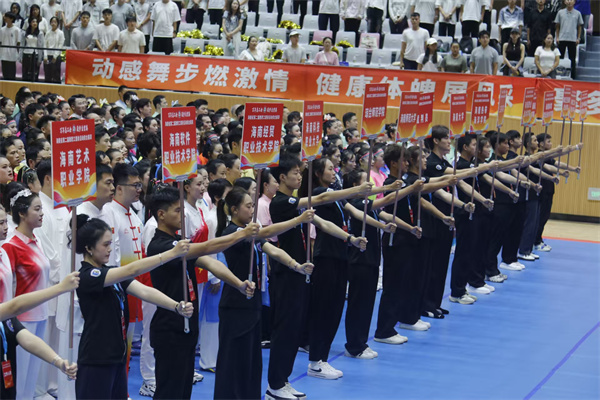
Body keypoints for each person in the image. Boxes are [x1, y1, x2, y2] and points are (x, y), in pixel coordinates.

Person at [146, 186, 257, 399]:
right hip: (170, 328)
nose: (183, 215)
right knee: (169, 392)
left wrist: (238, 284)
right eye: (177, 211)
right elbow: (207, 247)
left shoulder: (179, 242)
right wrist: (241, 234)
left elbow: (209, 262)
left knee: (183, 390)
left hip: (188, 326)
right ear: (161, 214)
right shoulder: (161, 246)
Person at [73, 215, 193, 399]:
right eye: (105, 244)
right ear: (88, 248)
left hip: (118, 356)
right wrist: (170, 254)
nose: (110, 249)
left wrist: (176, 306)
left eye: (110, 243)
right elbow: (132, 270)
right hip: (96, 359)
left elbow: (144, 291)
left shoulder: (110, 272)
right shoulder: (88, 276)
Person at [215, 187, 314, 400]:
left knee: (251, 361)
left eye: (253, 205)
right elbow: (266, 233)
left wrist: (296, 265)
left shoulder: (249, 232)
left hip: (253, 302)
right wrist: (298, 220)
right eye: (248, 206)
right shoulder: (232, 232)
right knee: (233, 361)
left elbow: (272, 249)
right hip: (235, 304)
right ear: (234, 209)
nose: (252, 210)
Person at [1, 187, 50, 400]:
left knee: (32, 377)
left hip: (41, 315)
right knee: (19, 380)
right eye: (36, 209)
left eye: (41, 209)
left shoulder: (37, 241)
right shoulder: (11, 246)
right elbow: (7, 286)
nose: (42, 213)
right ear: (22, 213)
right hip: (21, 319)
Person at [554, 0, 583, 80]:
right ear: (564, 2)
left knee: (572, 59)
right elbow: (557, 26)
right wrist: (557, 37)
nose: (569, 2)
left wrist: (578, 38)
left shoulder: (578, 13)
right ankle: (559, 75)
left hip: (572, 39)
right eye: (567, 0)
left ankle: (573, 76)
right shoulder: (560, 12)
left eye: (571, 0)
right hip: (562, 38)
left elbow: (579, 27)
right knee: (560, 58)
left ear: (574, 2)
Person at [0, 12, 21, 81]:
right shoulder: (2, 29)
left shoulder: (16, 30)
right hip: (3, 54)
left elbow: (18, 43)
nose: (5, 18)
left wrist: (18, 54)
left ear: (11, 19)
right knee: (5, 74)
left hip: (12, 55)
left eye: (7, 17)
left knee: (11, 74)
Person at [43, 17, 64, 83]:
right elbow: (45, 45)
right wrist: (45, 56)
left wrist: (55, 56)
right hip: (48, 55)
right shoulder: (48, 33)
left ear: (57, 23)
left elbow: (60, 45)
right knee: (47, 75)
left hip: (56, 56)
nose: (53, 23)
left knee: (56, 75)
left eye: (55, 22)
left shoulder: (61, 33)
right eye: (52, 22)